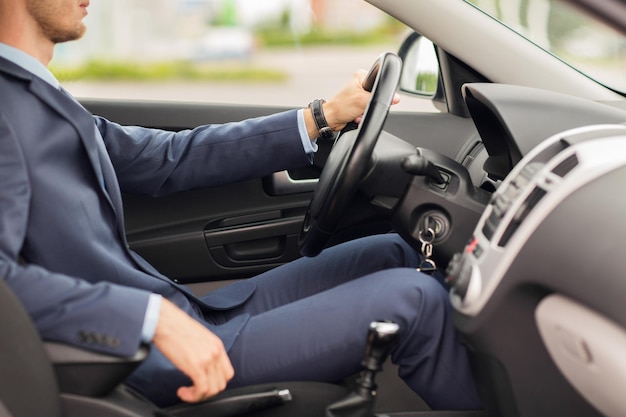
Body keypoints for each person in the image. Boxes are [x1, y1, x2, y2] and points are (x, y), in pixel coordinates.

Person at [0, 0, 482, 411]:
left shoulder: (37, 91)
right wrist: (147, 317)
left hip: (185, 315)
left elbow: (168, 159)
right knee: (415, 301)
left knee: (396, 252)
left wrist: (322, 117)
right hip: (134, 358)